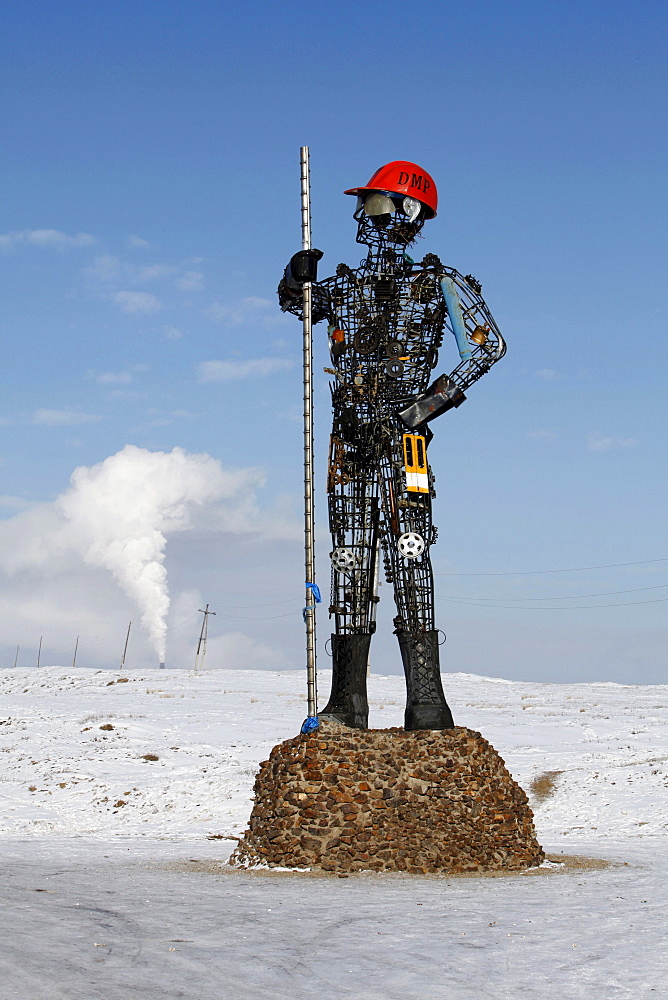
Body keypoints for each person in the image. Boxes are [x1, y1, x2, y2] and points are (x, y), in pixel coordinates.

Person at [278, 161, 505, 730]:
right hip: (350, 444)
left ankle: (426, 699)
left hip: (405, 443)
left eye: (375, 205)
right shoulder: (348, 286)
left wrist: (420, 408)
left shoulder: (437, 283)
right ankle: (347, 701)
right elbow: (299, 305)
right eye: (363, 205)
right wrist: (293, 276)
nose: (363, 216)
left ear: (406, 212)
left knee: (410, 559)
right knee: (349, 561)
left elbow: (488, 346)